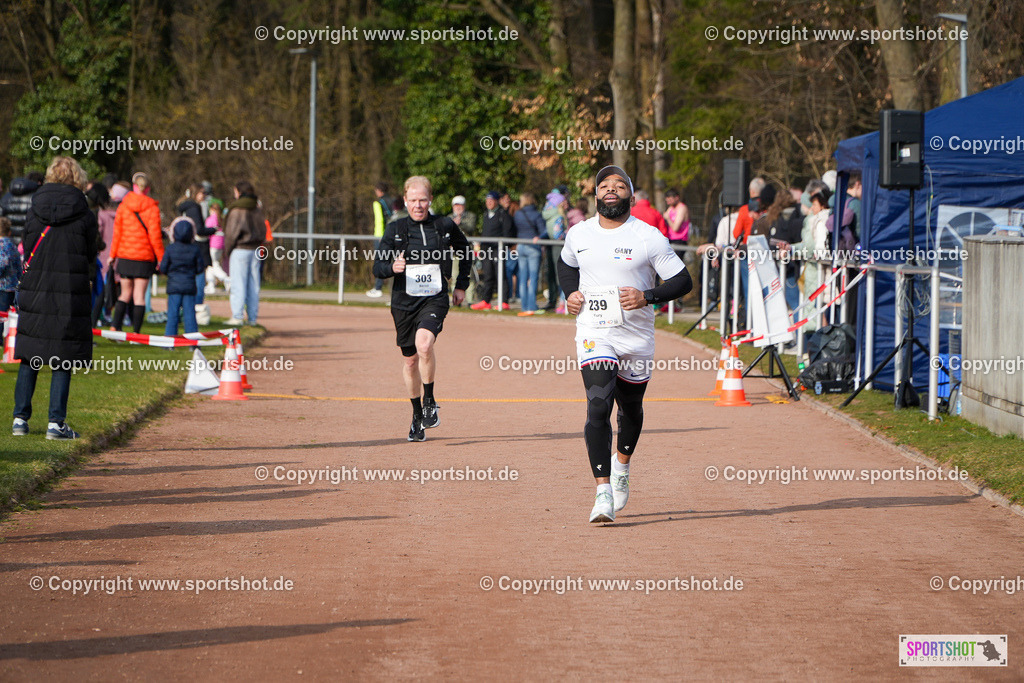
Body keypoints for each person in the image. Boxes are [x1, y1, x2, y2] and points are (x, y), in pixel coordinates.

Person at [557, 165, 692, 523]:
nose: (611, 190)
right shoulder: (578, 233)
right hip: (594, 331)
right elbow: (566, 265)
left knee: (630, 409)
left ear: (631, 196)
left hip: (636, 336)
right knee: (598, 405)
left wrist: (647, 296)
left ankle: (621, 467)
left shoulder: (649, 237)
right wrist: (570, 292)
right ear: (596, 195)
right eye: (604, 186)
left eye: (619, 185)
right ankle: (602, 493)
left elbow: (682, 281)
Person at [372, 175, 472, 441]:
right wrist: (391, 267)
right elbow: (377, 267)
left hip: (435, 297)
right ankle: (417, 415)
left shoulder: (443, 225)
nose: (418, 205)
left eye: (423, 200)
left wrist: (461, 284)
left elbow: (466, 250)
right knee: (410, 360)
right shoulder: (395, 229)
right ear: (405, 201)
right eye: (413, 200)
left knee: (424, 344)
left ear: (430, 200)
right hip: (404, 302)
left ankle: (429, 400)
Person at [12, 157, 98, 439]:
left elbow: (26, 243)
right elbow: (90, 253)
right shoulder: (84, 212)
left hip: (36, 284)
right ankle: (55, 422)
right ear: (77, 177)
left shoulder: (35, 208)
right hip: (69, 287)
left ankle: (20, 419)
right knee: (62, 356)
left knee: (31, 354)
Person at [108, 172, 163, 333]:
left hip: (125, 256)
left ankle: (114, 327)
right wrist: (161, 258)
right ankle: (136, 333)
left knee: (124, 294)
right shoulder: (152, 208)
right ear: (147, 189)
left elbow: (117, 233)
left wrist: (112, 254)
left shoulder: (123, 206)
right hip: (144, 258)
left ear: (133, 187)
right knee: (139, 296)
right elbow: (155, 237)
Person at [223, 181, 266, 326]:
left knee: (238, 284)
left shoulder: (236, 210)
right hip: (255, 250)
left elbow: (231, 233)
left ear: (239, 192)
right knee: (254, 285)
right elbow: (263, 231)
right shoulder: (257, 209)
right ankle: (252, 318)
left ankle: (237, 315)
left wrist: (227, 250)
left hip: (240, 249)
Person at [160, 216, 206, 336]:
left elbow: (163, 267)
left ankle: (169, 341)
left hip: (174, 286)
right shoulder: (195, 250)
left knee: (172, 315)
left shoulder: (170, 249)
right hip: (189, 286)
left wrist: (170, 273)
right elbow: (200, 268)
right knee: (190, 315)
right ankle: (193, 342)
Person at [471, 191, 514, 310]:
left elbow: (507, 233)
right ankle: (486, 300)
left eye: (491, 200)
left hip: (498, 249)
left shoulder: (502, 215)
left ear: (496, 201)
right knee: (488, 275)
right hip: (486, 250)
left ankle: (504, 301)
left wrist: (503, 246)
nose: (489, 203)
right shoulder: (485, 215)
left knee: (501, 275)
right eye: (487, 200)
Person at [176, 184, 214, 321]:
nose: (204, 195)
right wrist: (213, 230)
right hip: (197, 246)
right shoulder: (194, 207)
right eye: (202, 193)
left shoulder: (185, 207)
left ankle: (186, 309)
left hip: (187, 245)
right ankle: (197, 308)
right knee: (199, 279)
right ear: (195, 193)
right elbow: (198, 229)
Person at [513, 192, 546, 316]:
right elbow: (543, 231)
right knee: (532, 278)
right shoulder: (537, 214)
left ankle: (524, 306)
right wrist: (539, 237)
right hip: (533, 246)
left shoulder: (518, 214)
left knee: (522, 277)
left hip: (520, 246)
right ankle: (532, 306)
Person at [367, 182, 394, 298]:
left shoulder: (378, 202)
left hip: (381, 235)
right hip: (393, 234)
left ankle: (378, 287)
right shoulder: (392, 201)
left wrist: (379, 237)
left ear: (378, 190)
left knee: (380, 261)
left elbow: (379, 220)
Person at [541, 190, 567, 311]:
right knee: (561, 276)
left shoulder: (548, 216)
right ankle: (562, 303)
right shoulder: (558, 217)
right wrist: (568, 234)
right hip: (559, 248)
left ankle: (557, 301)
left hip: (552, 248)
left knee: (554, 276)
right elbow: (558, 235)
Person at [0, 172, 43, 239]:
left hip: (8, 241)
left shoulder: (5, 198)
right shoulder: (37, 199)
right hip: (28, 242)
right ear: (39, 183)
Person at [206, 199, 230, 292]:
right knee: (210, 265)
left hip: (213, 244)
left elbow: (206, 231)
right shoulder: (221, 219)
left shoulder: (211, 219)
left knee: (214, 265)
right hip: (220, 245)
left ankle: (226, 279)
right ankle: (211, 285)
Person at [0, 217, 21, 311]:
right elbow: (18, 266)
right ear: (9, 232)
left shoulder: (1, 245)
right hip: (12, 287)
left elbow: (2, 263)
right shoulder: (12, 246)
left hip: (2, 287)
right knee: (7, 317)